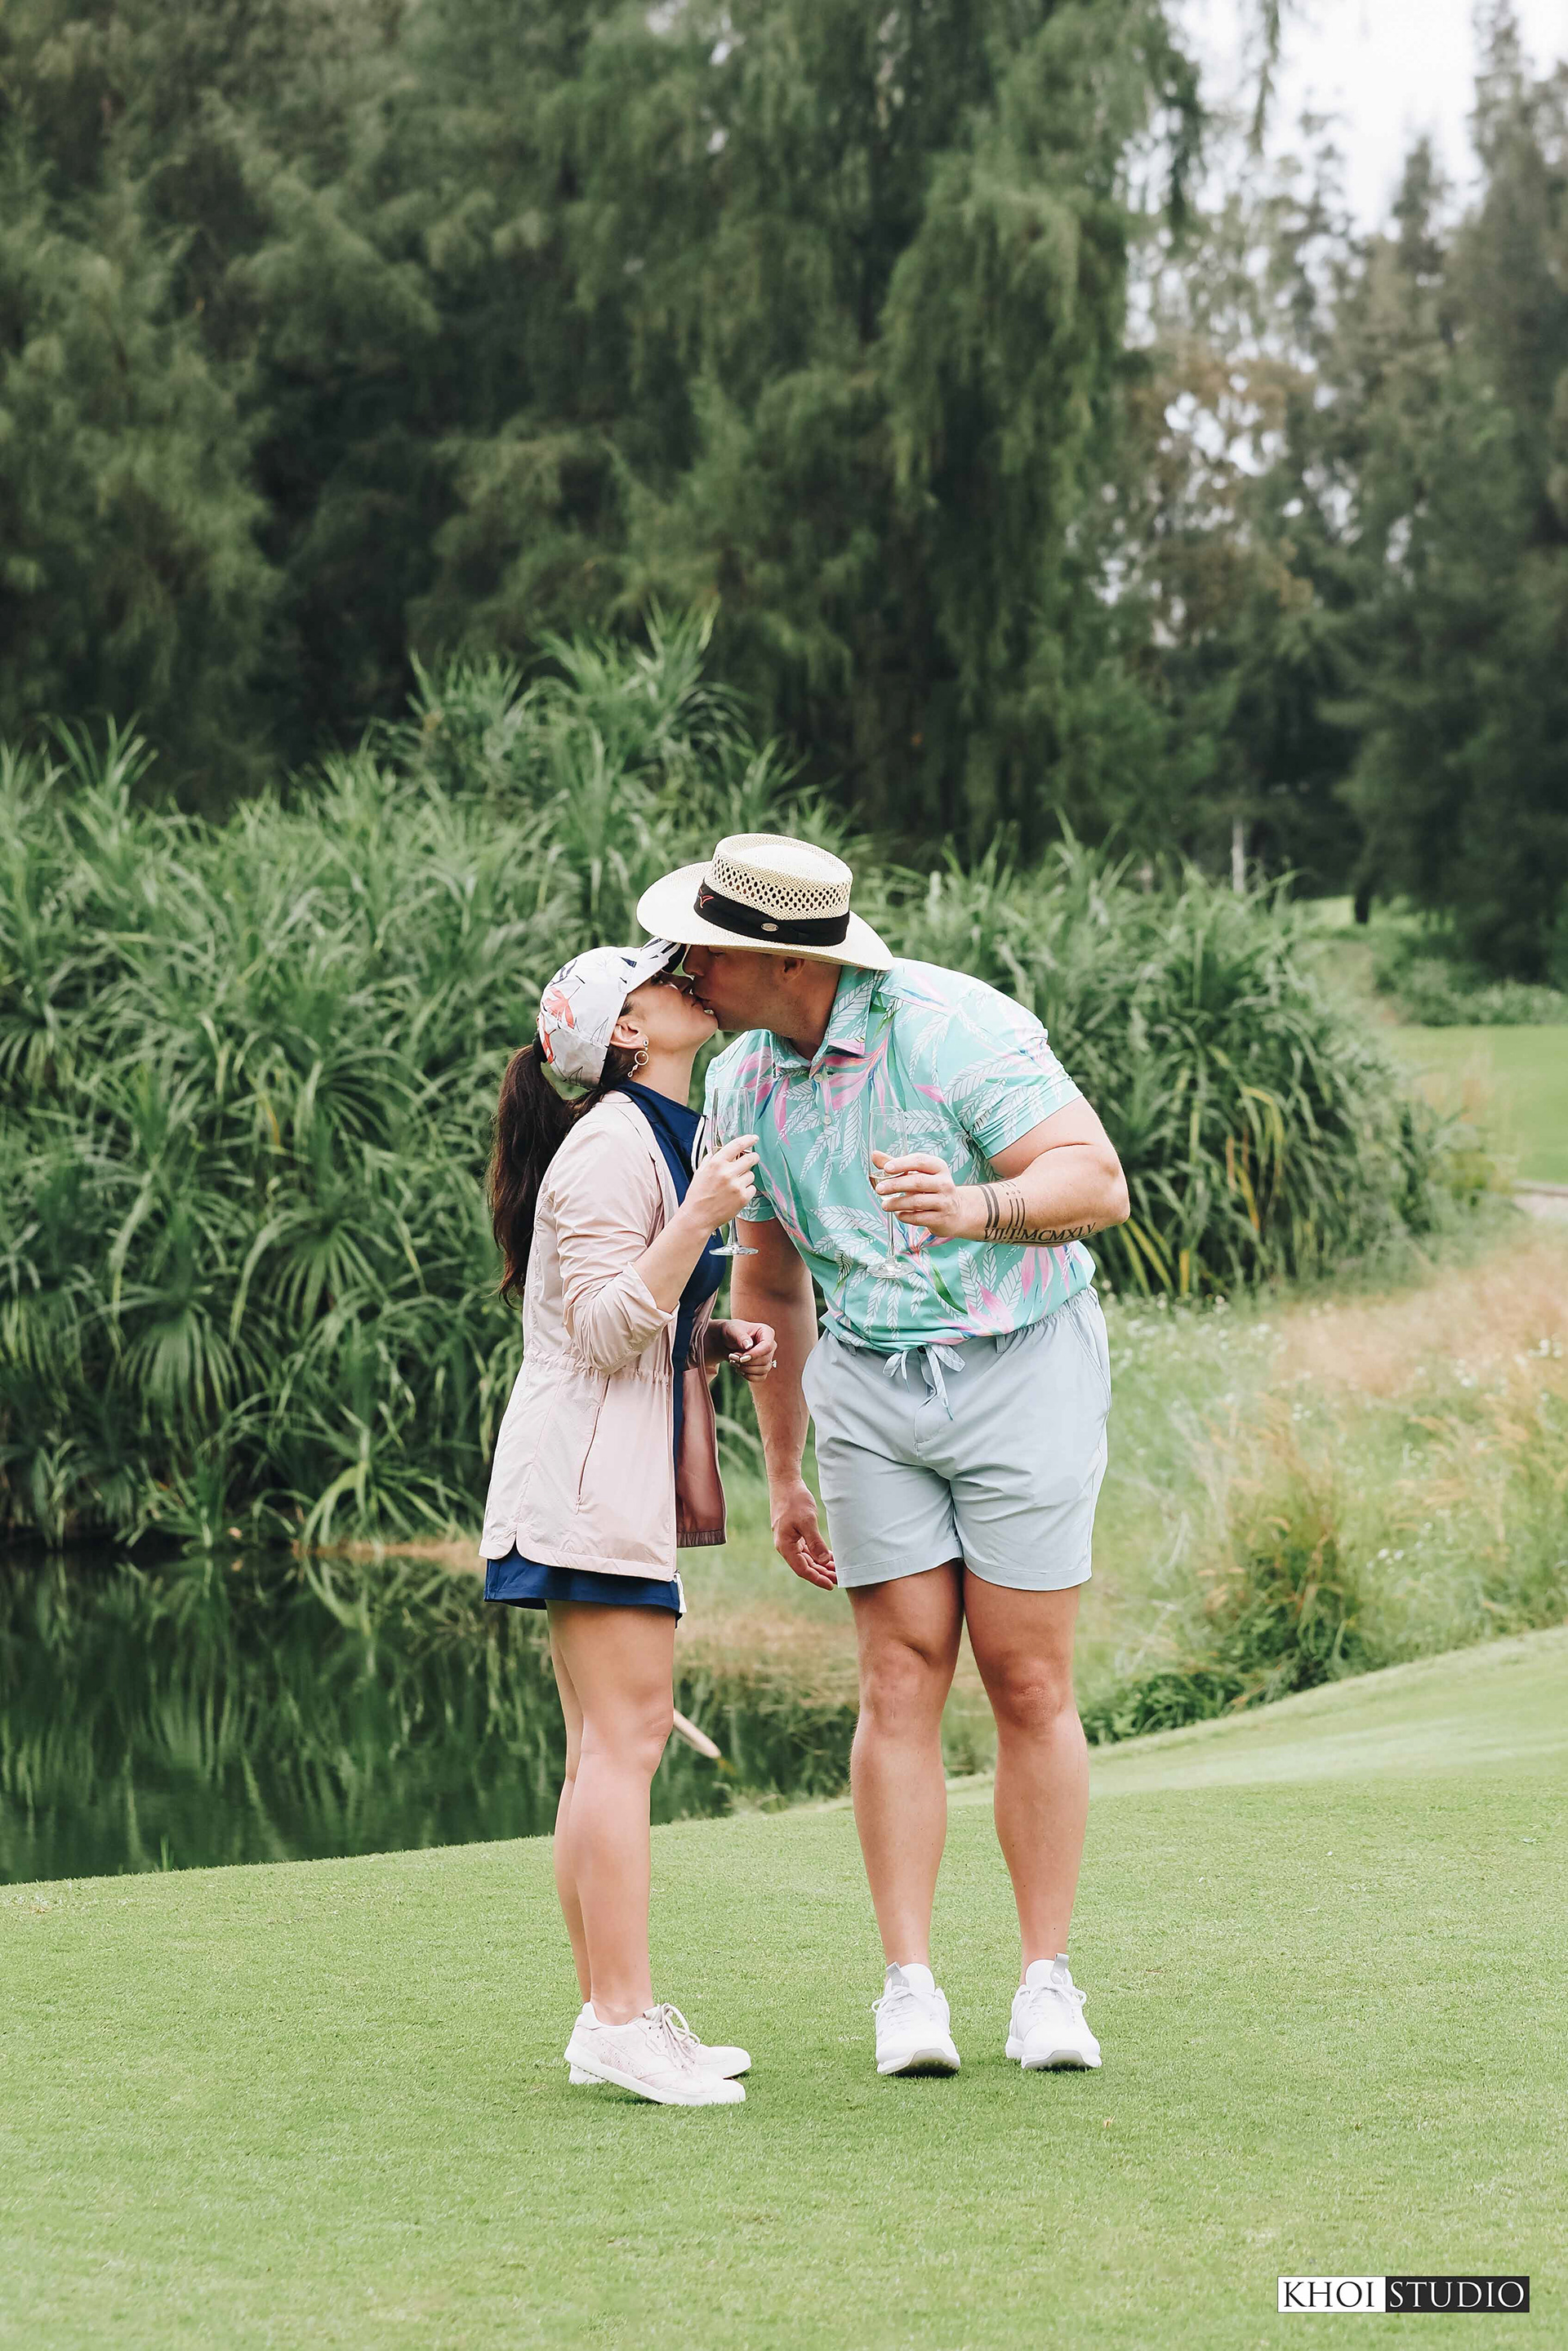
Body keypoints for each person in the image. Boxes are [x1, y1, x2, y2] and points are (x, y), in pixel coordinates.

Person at [636, 835, 1130, 2078]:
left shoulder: (951, 1027)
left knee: (1025, 1678)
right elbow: (773, 1280)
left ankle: (1045, 1985)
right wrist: (786, 1468)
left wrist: (979, 1206)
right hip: (868, 1385)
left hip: (1022, 1362)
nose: (683, 964)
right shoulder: (747, 1079)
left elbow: (1098, 1182)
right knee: (900, 1677)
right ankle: (909, 1990)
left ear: (771, 956)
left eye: (702, 946)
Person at [479, 939, 777, 2108]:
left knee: (605, 1751)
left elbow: (628, 1326)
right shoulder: (611, 1145)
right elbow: (601, 1326)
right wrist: (700, 1212)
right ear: (629, 1032)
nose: (688, 986)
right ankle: (615, 2021)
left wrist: (712, 1340)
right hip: (587, 1489)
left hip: (604, 1481)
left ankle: (619, 2012)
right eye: (662, 985)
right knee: (625, 1745)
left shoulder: (654, 1131)